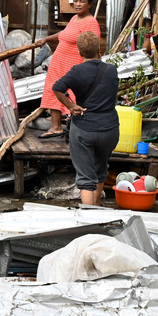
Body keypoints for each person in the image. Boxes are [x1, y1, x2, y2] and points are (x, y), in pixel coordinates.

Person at [52, 31, 121, 206]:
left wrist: (70, 106)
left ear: (79, 52)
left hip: (84, 129)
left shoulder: (76, 71)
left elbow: (57, 87)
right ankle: (96, 208)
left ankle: (88, 219)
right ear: (99, 49)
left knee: (85, 178)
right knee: (100, 170)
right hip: (109, 130)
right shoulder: (111, 70)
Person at [38, 0, 101, 138]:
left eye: (82, 1)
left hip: (74, 65)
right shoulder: (74, 18)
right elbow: (65, 33)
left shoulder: (91, 23)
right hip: (58, 62)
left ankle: (76, 130)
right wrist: (46, 39)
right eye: (76, 1)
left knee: (72, 96)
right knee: (53, 91)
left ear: (90, 4)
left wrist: (93, 68)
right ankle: (56, 127)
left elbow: (94, 46)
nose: (78, 4)